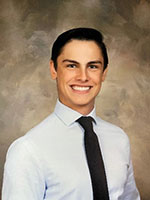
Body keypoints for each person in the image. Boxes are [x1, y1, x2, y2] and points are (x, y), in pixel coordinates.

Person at [2, 27, 140, 200]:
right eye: (72, 65)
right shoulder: (28, 150)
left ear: (104, 72)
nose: (83, 77)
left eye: (93, 66)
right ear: (53, 69)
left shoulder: (119, 139)